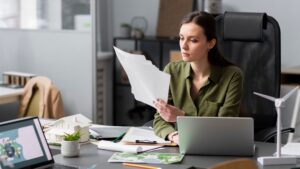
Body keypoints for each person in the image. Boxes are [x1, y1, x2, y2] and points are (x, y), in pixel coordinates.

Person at [153, 11, 243, 144]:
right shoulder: (171, 70)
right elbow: (160, 118)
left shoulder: (232, 76)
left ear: (210, 44)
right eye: (181, 38)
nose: (183, 46)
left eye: (193, 40)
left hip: (215, 147)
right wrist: (174, 136)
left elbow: (224, 129)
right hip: (178, 146)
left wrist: (182, 117)